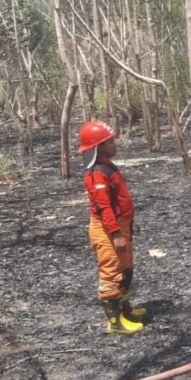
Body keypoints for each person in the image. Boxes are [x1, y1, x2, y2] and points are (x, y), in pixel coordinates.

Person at [78, 121, 146, 334]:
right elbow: (103, 206)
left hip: (120, 225)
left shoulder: (106, 166)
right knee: (112, 273)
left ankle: (126, 310)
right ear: (98, 147)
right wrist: (115, 233)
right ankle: (115, 322)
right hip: (108, 229)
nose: (114, 145)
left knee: (125, 269)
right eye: (110, 142)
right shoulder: (96, 172)